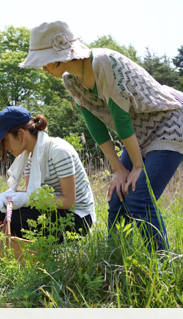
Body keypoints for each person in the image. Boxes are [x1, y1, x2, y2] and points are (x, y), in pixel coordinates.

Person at [20, 21, 183, 250]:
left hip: (168, 125)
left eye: (44, 62)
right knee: (117, 198)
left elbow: (121, 119)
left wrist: (136, 166)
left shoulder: (105, 63)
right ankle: (116, 262)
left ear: (60, 53)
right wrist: (117, 168)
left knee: (139, 198)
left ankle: (161, 263)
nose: (43, 69)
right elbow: (94, 124)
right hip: (138, 135)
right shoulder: (71, 80)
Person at [0, 106, 96, 240]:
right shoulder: (29, 156)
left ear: (21, 134)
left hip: (76, 217)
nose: (5, 147)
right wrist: (11, 197)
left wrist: (26, 199)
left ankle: (43, 246)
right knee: (2, 209)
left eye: (5, 140)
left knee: (17, 217)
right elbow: (32, 194)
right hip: (55, 211)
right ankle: (37, 244)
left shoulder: (59, 151)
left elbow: (69, 201)